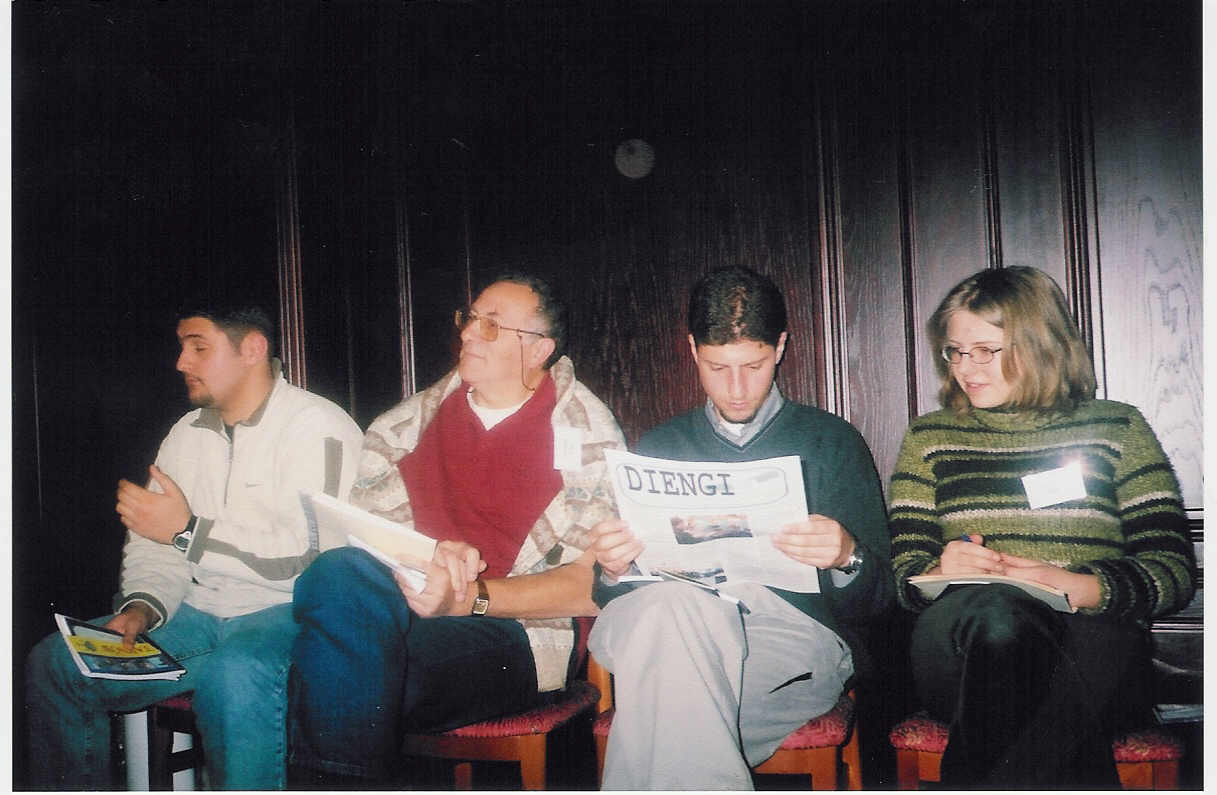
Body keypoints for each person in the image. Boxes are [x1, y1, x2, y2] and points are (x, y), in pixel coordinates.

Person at [287, 273, 625, 785]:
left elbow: (589, 587)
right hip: (398, 609)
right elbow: (368, 551)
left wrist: (470, 598)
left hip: (518, 634)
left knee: (345, 676)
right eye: (470, 318)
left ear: (539, 349)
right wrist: (427, 567)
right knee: (337, 571)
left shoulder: (589, 434)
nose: (468, 333)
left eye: (491, 325)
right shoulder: (403, 428)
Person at [25, 301, 365, 790]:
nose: (181, 362)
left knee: (234, 675)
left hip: (290, 616)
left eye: (198, 347)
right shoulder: (186, 434)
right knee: (56, 664)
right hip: (198, 614)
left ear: (252, 349)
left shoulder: (318, 427)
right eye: (182, 347)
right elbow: (154, 541)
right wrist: (143, 606)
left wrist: (187, 531)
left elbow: (312, 560)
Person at [888, 266, 1197, 789]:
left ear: (1040, 344)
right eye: (955, 351)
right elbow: (902, 576)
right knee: (998, 615)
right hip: (961, 649)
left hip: (1089, 643)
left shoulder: (1116, 427)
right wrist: (938, 570)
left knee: (1048, 669)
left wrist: (1074, 586)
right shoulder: (930, 437)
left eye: (986, 350)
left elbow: (1172, 571)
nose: (965, 368)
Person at [587, 265, 893, 790]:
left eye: (753, 366)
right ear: (692, 350)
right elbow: (613, 596)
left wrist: (848, 557)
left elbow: (882, 603)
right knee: (674, 609)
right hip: (662, 621)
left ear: (780, 347)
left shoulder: (831, 441)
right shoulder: (661, 445)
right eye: (716, 367)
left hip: (784, 635)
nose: (735, 388)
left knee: (666, 714)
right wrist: (614, 567)